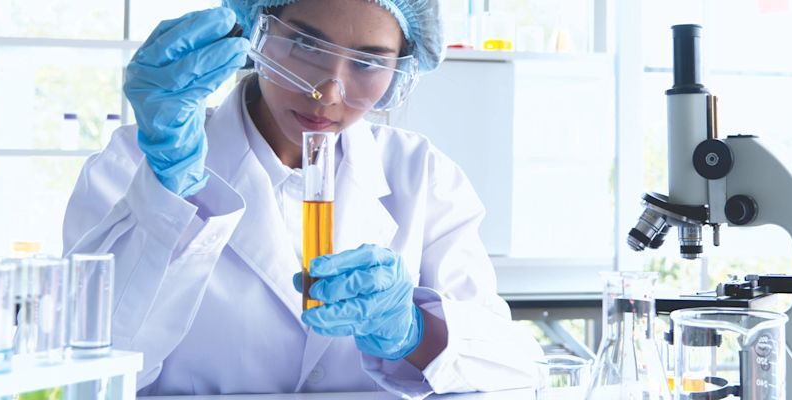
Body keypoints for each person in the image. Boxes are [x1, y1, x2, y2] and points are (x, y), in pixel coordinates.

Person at [61, 0, 542, 396]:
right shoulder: (135, 162)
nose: (327, 92)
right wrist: (168, 195)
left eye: (369, 62)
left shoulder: (423, 175)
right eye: (306, 45)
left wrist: (415, 330)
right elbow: (86, 368)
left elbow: (517, 370)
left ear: (400, 71)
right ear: (257, 33)